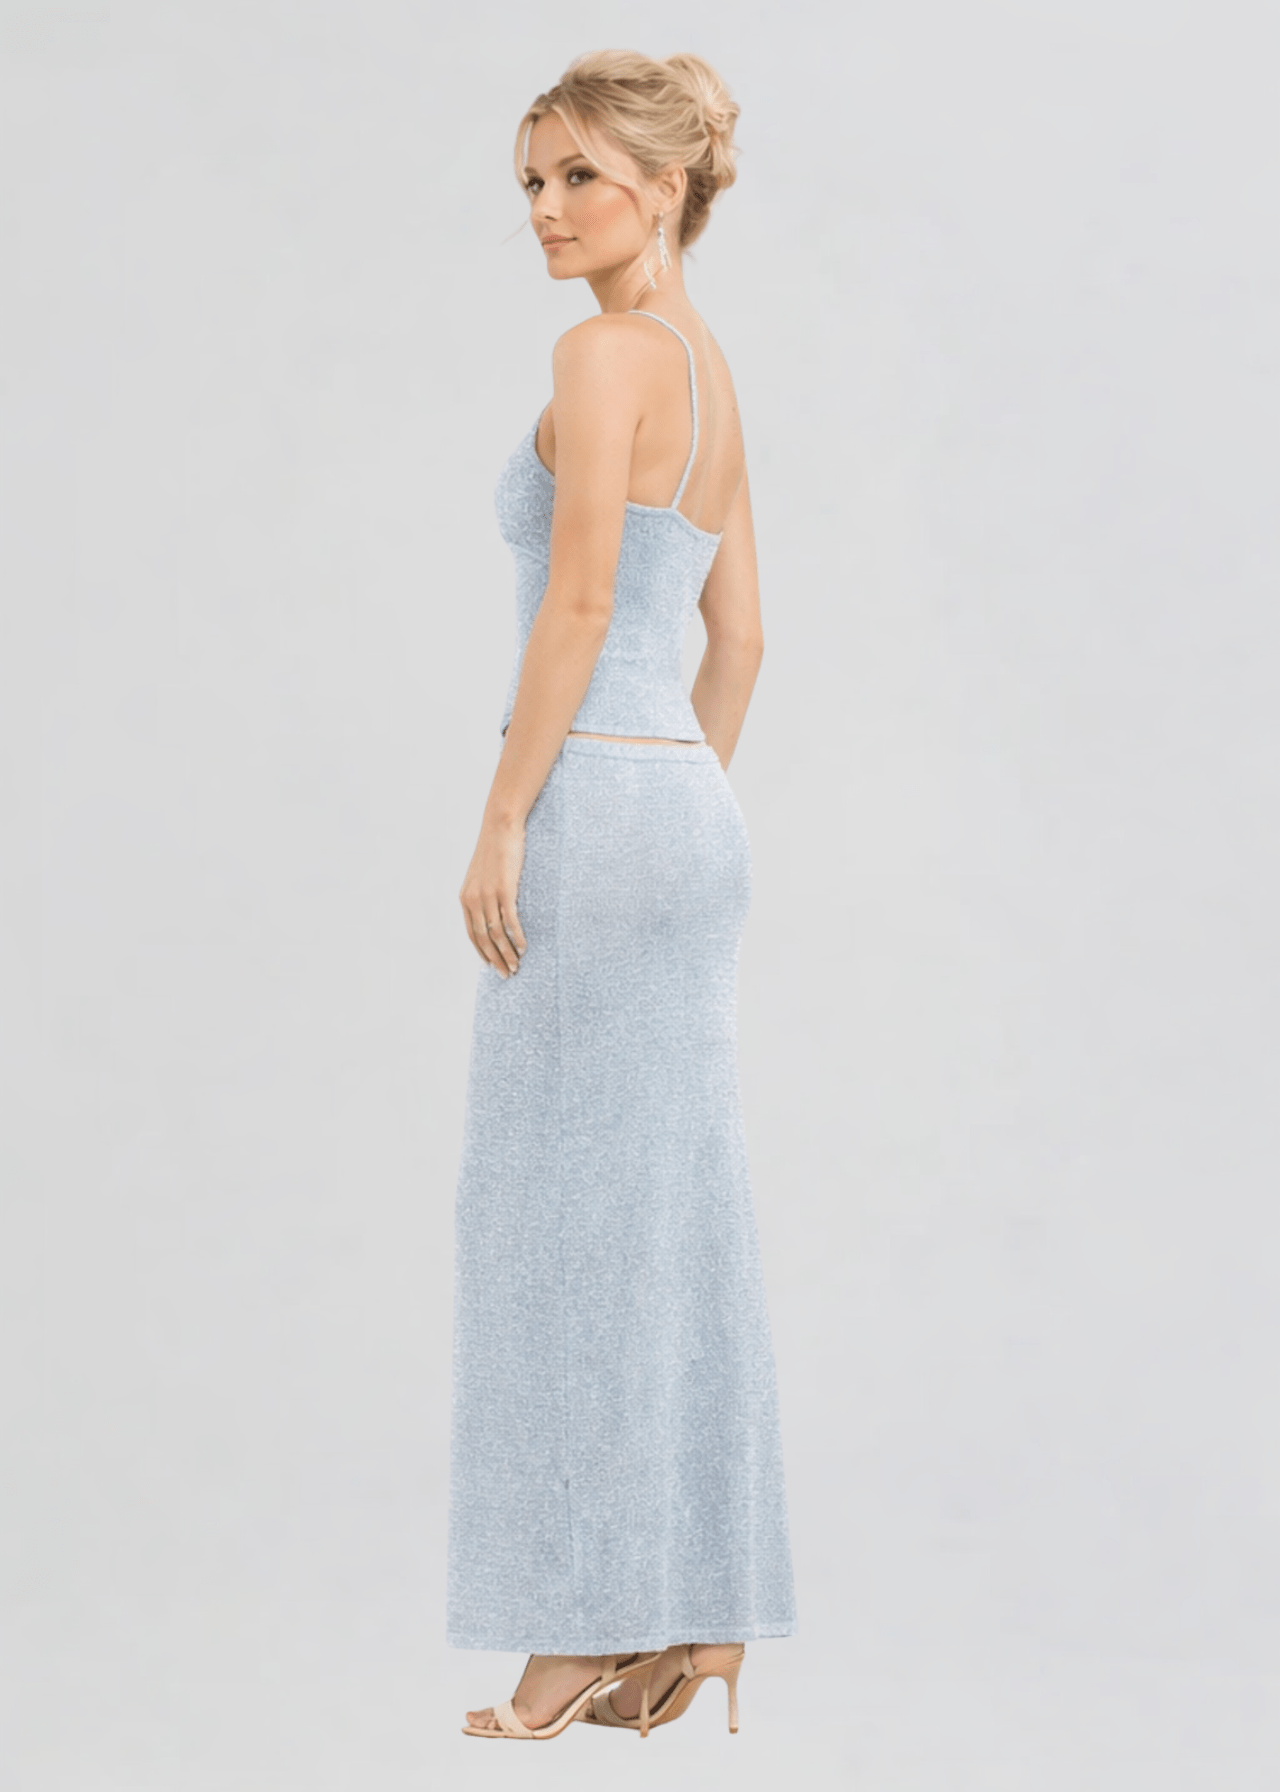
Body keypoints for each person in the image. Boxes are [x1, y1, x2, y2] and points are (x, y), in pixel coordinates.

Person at [449, 49, 796, 1742]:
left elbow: (580, 604)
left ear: (663, 189)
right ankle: (698, 1615)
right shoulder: (709, 370)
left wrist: (511, 813)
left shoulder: (601, 356)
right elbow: (742, 640)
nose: (545, 208)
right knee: (672, 1215)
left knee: (563, 1231)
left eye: (578, 176)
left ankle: (578, 1632)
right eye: (530, 180)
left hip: (597, 797)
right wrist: (676, 804)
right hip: (688, 812)